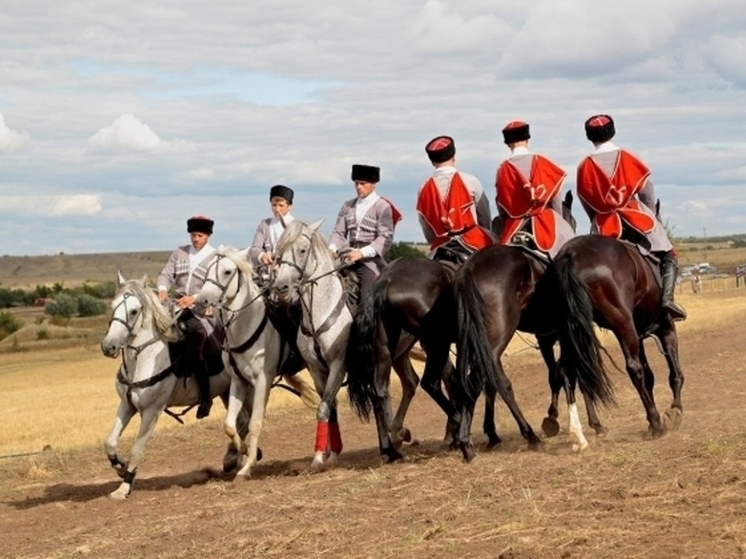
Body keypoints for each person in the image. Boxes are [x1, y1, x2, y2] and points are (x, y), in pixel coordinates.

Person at [576, 114, 686, 321]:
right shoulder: (628, 157)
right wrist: (651, 216)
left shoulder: (584, 166)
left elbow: (586, 202)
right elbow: (646, 194)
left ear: (590, 137)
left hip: (603, 223)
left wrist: (597, 219)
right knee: (669, 253)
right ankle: (667, 300)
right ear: (613, 132)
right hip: (636, 216)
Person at [157, 215, 218, 418]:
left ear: (208, 235)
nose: (196, 239)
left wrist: (194, 298)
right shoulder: (179, 252)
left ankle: (206, 398)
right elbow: (166, 274)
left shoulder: (215, 257)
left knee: (197, 341)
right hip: (175, 306)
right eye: (193, 235)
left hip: (200, 311)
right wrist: (163, 289)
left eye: (200, 235)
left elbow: (215, 288)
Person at [494, 121, 574, 260]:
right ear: (527, 139)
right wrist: (559, 220)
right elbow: (555, 198)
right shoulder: (542, 162)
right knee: (571, 253)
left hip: (515, 224)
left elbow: (502, 207)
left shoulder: (502, 170)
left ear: (507, 144)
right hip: (546, 219)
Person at [415, 135, 494, 263]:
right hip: (473, 240)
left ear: (432, 162)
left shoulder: (422, 189)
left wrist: (433, 241)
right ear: (454, 156)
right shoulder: (471, 181)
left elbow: (425, 224)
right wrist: (487, 233)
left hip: (441, 244)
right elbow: (484, 213)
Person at [328, 164, 401, 298]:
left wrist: (361, 253)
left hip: (370, 260)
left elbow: (386, 237)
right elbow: (339, 232)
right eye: (356, 184)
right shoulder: (347, 205)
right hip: (347, 254)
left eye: (362, 183)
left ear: (374, 184)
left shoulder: (382, 206)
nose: (358, 187)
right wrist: (332, 248)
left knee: (366, 295)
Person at [248, 184, 296, 279]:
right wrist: (262, 256)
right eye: (274, 205)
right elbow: (254, 249)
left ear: (289, 206)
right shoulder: (264, 224)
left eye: (281, 205)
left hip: (289, 279)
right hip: (265, 277)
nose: (277, 209)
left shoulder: (296, 227)